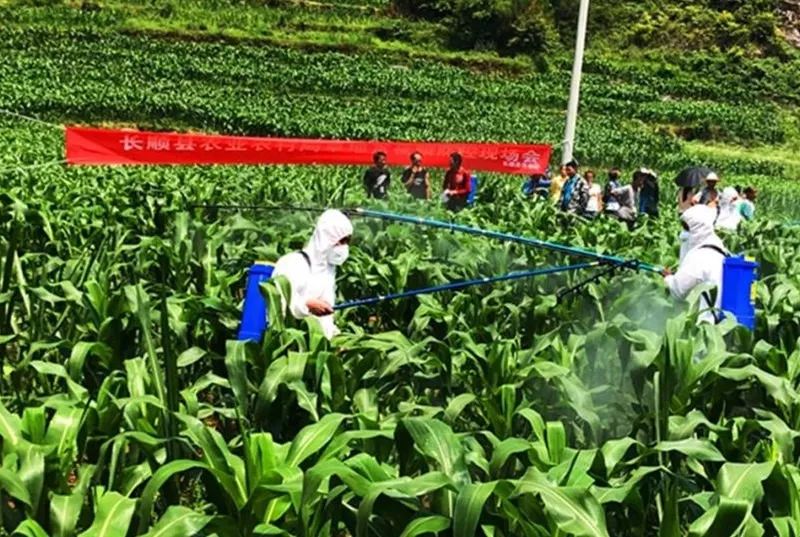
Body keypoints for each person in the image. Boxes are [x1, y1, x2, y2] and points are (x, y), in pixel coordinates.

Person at [271, 209, 353, 340]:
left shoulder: (328, 271)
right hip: (291, 344)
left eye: (348, 242)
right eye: (341, 241)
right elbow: (277, 307)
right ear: (327, 238)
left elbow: (325, 320)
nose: (344, 247)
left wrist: (335, 335)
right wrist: (307, 306)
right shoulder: (294, 263)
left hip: (316, 345)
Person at [663, 205, 728, 325]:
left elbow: (678, 291)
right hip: (719, 322)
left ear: (697, 229)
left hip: (703, 325)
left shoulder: (699, 256)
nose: (683, 233)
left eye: (686, 229)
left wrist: (667, 278)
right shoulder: (719, 250)